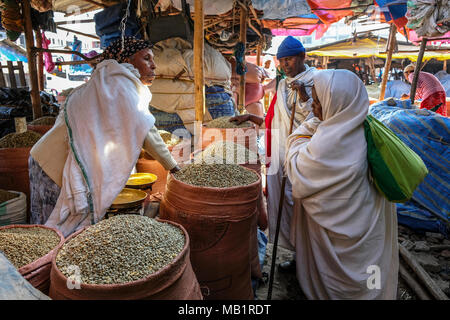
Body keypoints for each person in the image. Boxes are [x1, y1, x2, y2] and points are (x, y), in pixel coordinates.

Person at [29, 37, 180, 236]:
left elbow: (121, 134)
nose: (154, 66)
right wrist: (175, 168)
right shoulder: (119, 85)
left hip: (42, 158)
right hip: (51, 165)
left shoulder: (109, 84)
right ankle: (45, 266)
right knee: (52, 233)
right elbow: (145, 130)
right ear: (127, 60)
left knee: (46, 228)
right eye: (146, 59)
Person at [285, 69, 399, 299]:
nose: (314, 107)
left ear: (336, 102)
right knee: (366, 274)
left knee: (335, 285)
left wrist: (302, 134)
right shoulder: (364, 127)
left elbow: (298, 172)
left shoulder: (328, 141)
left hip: (335, 233)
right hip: (364, 226)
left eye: (318, 101)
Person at [230, 36, 320, 271]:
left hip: (302, 154)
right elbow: (275, 121)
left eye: (289, 59)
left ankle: (310, 256)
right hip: (277, 154)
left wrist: (303, 96)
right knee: (282, 203)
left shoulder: (316, 80)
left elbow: (316, 120)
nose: (284, 65)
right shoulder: (282, 84)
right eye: (281, 61)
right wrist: (250, 117)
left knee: (301, 202)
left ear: (302, 57)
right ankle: (292, 252)